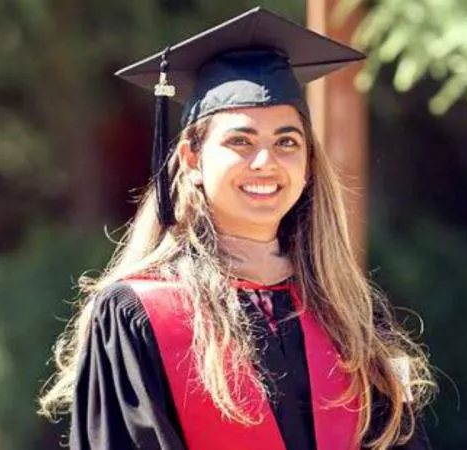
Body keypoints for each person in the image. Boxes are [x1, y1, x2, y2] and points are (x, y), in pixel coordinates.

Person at [39, 7, 435, 450]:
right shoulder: (142, 314)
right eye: (240, 141)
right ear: (192, 161)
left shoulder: (345, 311)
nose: (265, 162)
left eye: (286, 141)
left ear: (307, 164)